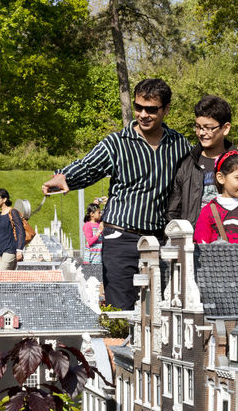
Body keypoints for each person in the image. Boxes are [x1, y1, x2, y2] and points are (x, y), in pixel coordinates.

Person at [41, 78, 191, 310]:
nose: (143, 114)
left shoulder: (179, 144)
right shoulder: (117, 143)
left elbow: (204, 166)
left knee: (162, 311)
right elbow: (89, 166)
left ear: (166, 109)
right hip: (121, 239)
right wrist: (64, 176)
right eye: (138, 107)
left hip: (160, 240)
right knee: (122, 310)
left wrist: (235, 150)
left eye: (151, 109)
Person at [167, 95, 238, 227]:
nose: (201, 133)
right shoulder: (187, 163)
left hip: (234, 242)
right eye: (198, 127)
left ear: (226, 128)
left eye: (208, 128)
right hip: (194, 243)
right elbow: (174, 211)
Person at [0, 188, 26, 270]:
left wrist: (19, 250)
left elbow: (20, 231)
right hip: (2, 252)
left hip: (10, 251)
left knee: (0, 277)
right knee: (8, 279)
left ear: (4, 199)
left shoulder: (12, 212)